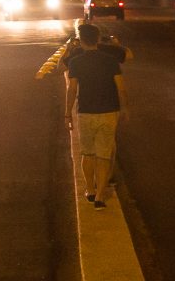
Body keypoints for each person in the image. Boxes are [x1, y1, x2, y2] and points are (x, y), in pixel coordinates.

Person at [64, 22, 128, 210]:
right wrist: (125, 108)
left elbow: (72, 89)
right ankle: (100, 196)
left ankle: (90, 191)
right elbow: (121, 88)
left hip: (86, 112)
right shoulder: (110, 61)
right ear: (98, 39)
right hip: (109, 111)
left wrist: (67, 113)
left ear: (82, 42)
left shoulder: (76, 62)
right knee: (103, 155)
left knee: (87, 153)